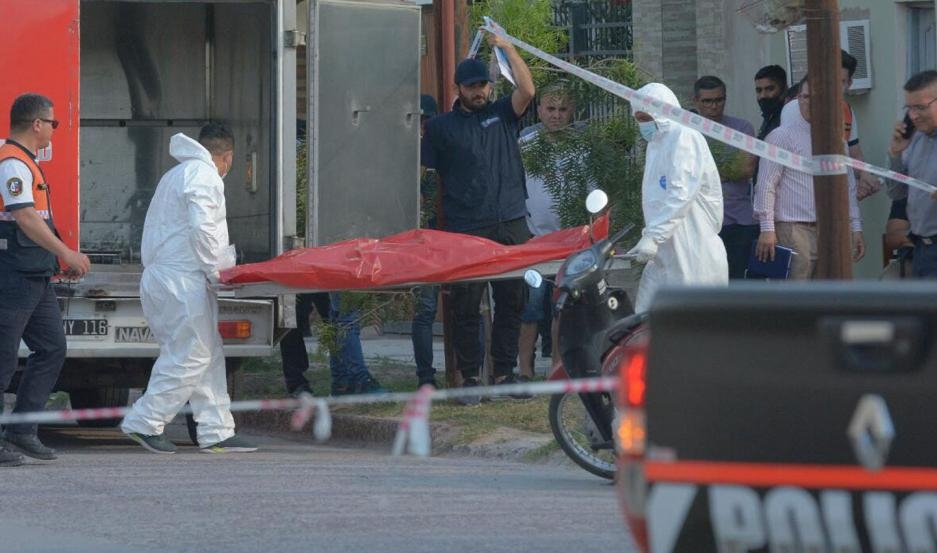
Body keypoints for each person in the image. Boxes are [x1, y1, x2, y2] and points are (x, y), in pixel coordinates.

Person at [121, 123, 256, 454]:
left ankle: (216, 430)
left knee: (206, 354)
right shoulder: (205, 176)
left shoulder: (177, 174)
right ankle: (145, 421)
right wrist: (218, 272)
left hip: (169, 277)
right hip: (182, 279)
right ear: (227, 156)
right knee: (192, 354)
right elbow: (203, 229)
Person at [421, 33, 535, 404]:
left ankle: (504, 373)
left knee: (512, 301)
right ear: (459, 89)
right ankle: (470, 377)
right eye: (471, 87)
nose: (479, 91)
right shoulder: (440, 128)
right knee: (466, 306)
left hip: (511, 221)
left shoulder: (502, 114)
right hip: (467, 227)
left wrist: (508, 47)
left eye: (483, 85)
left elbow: (528, 90)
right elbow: (421, 172)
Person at [0, 93, 91, 466]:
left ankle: (21, 430)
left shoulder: (26, 162)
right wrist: (66, 253)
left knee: (52, 348)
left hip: (34, 273)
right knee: (3, 358)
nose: (55, 129)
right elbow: (24, 217)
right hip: (13, 274)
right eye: (53, 122)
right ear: (37, 124)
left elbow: (36, 219)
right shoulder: (12, 163)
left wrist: (55, 258)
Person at [627, 83, 728, 312]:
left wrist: (654, 236)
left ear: (660, 112)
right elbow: (657, 200)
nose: (643, 125)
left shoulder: (684, 136)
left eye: (646, 118)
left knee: (692, 324)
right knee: (645, 318)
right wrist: (651, 236)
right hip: (666, 254)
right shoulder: (657, 144)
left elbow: (681, 194)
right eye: (639, 119)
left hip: (693, 252)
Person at [754, 78, 865, 279]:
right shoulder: (781, 136)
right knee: (796, 294)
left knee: (827, 292)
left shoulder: (836, 140)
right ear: (798, 99)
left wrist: (856, 227)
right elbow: (766, 185)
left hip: (830, 230)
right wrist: (767, 229)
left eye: (817, 98)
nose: (809, 103)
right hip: (793, 230)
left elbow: (847, 187)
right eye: (805, 97)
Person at [517, 84, 583, 377]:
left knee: (562, 308)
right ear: (540, 109)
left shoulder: (582, 147)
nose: (556, 115)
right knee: (530, 308)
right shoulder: (525, 144)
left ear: (572, 111)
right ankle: (524, 369)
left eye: (562, 109)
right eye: (551, 108)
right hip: (534, 242)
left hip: (570, 243)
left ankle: (557, 368)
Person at [692, 76, 757, 280]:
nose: (714, 106)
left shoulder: (742, 128)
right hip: (702, 222)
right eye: (707, 101)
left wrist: (705, 174)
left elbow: (746, 169)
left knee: (738, 282)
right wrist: (724, 171)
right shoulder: (688, 131)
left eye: (719, 100)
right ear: (696, 101)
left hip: (739, 220)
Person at [887, 70, 937, 278]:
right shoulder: (915, 139)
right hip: (921, 249)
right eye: (909, 108)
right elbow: (896, 193)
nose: (914, 116)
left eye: (920, 107)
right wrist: (896, 155)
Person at [412, 93, 441, 388]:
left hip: (448, 235)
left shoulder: (442, 146)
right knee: (425, 310)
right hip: (422, 242)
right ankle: (426, 376)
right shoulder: (406, 154)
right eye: (418, 120)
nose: (422, 126)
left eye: (427, 120)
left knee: (465, 306)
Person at [840, 50, 881, 201]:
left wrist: (865, 176)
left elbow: (855, 154)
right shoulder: (798, 108)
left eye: (841, 81)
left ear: (849, 84)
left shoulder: (847, 111)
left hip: (841, 197)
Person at [754, 65, 788, 140]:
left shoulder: (790, 118)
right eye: (759, 90)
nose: (763, 95)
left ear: (785, 89)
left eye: (769, 89)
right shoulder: (769, 116)